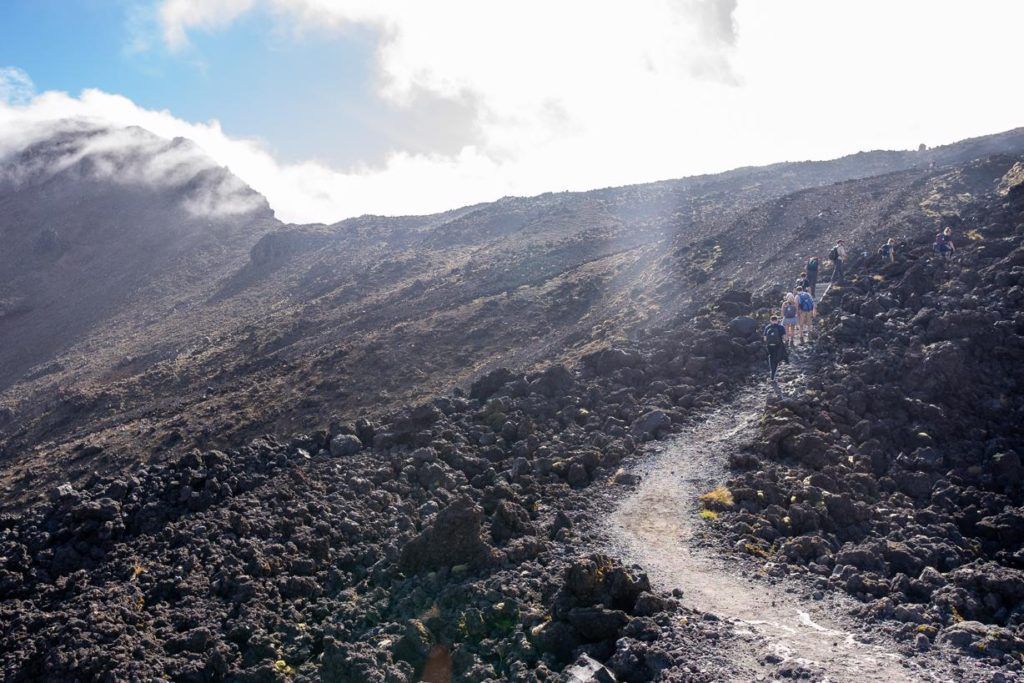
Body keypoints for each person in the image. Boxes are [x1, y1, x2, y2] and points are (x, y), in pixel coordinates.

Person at [763, 315, 787, 381]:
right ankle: (773, 374)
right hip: (778, 345)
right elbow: (785, 338)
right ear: (777, 320)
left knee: (771, 357)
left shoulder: (767, 327)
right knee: (777, 358)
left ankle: (772, 371)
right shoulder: (781, 327)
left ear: (770, 320)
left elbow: (765, 339)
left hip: (769, 345)